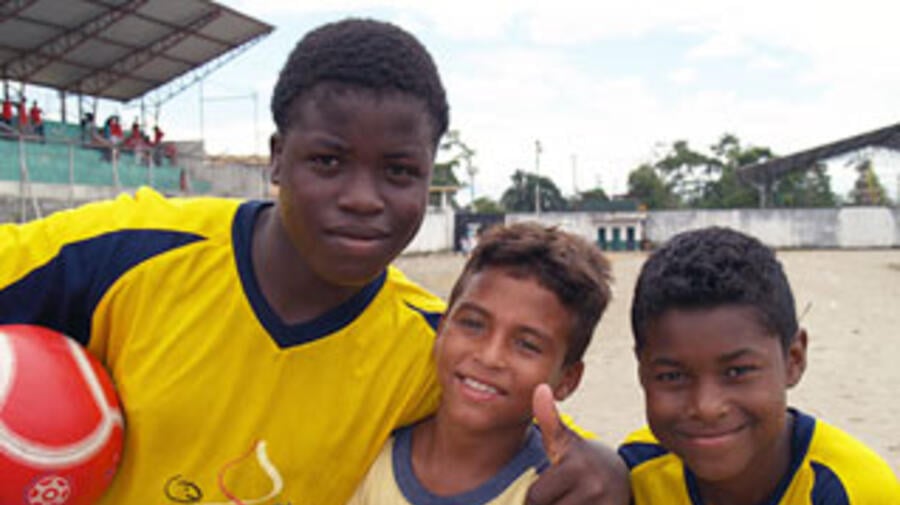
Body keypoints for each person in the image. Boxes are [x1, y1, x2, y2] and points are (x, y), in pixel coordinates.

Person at [0, 18, 627, 505]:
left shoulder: (427, 345)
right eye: (328, 161)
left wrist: (601, 465)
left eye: (399, 171)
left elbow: (529, 414)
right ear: (278, 157)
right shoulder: (133, 249)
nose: (362, 198)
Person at [618, 227, 899, 504]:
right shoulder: (632, 475)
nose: (707, 407)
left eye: (737, 371)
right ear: (641, 371)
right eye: (672, 376)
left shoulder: (855, 493)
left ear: (794, 359)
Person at [350, 222, 617, 504]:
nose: (489, 357)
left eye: (527, 345)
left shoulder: (567, 493)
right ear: (442, 328)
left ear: (568, 380)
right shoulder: (366, 456)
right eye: (473, 324)